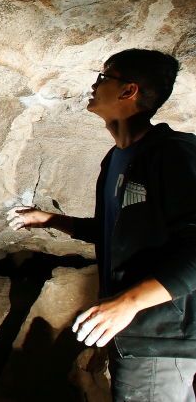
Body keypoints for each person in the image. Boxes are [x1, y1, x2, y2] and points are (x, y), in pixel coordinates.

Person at [11, 49, 196, 401]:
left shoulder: (175, 153)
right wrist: (51, 220)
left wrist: (127, 303)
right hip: (129, 332)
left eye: (103, 77)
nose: (93, 86)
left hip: (159, 335)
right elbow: (114, 231)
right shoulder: (116, 159)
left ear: (129, 91)